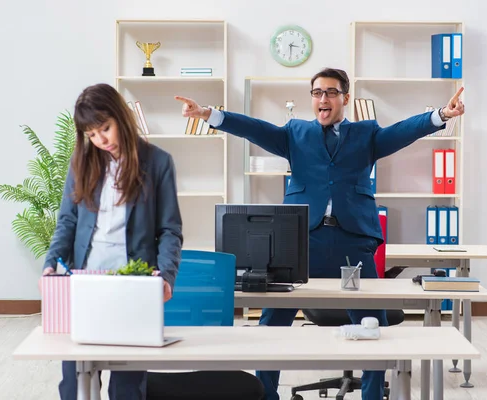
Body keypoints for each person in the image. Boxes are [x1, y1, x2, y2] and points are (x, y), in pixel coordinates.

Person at [175, 67, 464, 400]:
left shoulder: (366, 134)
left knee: (375, 324)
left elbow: (402, 131)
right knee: (271, 322)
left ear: (345, 97)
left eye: (330, 92)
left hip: (352, 241)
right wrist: (209, 114)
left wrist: (441, 115)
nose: (322, 99)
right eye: (317, 93)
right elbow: (254, 129)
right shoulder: (294, 133)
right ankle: (266, 395)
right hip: (299, 241)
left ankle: (372, 395)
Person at [41, 83, 183, 400]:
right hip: (85, 283)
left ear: (121, 117)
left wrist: (166, 275)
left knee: (128, 386)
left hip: (132, 283)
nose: (101, 140)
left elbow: (170, 229)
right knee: (74, 383)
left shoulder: (158, 162)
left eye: (105, 128)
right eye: (92, 134)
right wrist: (51, 263)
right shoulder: (82, 162)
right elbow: (67, 221)